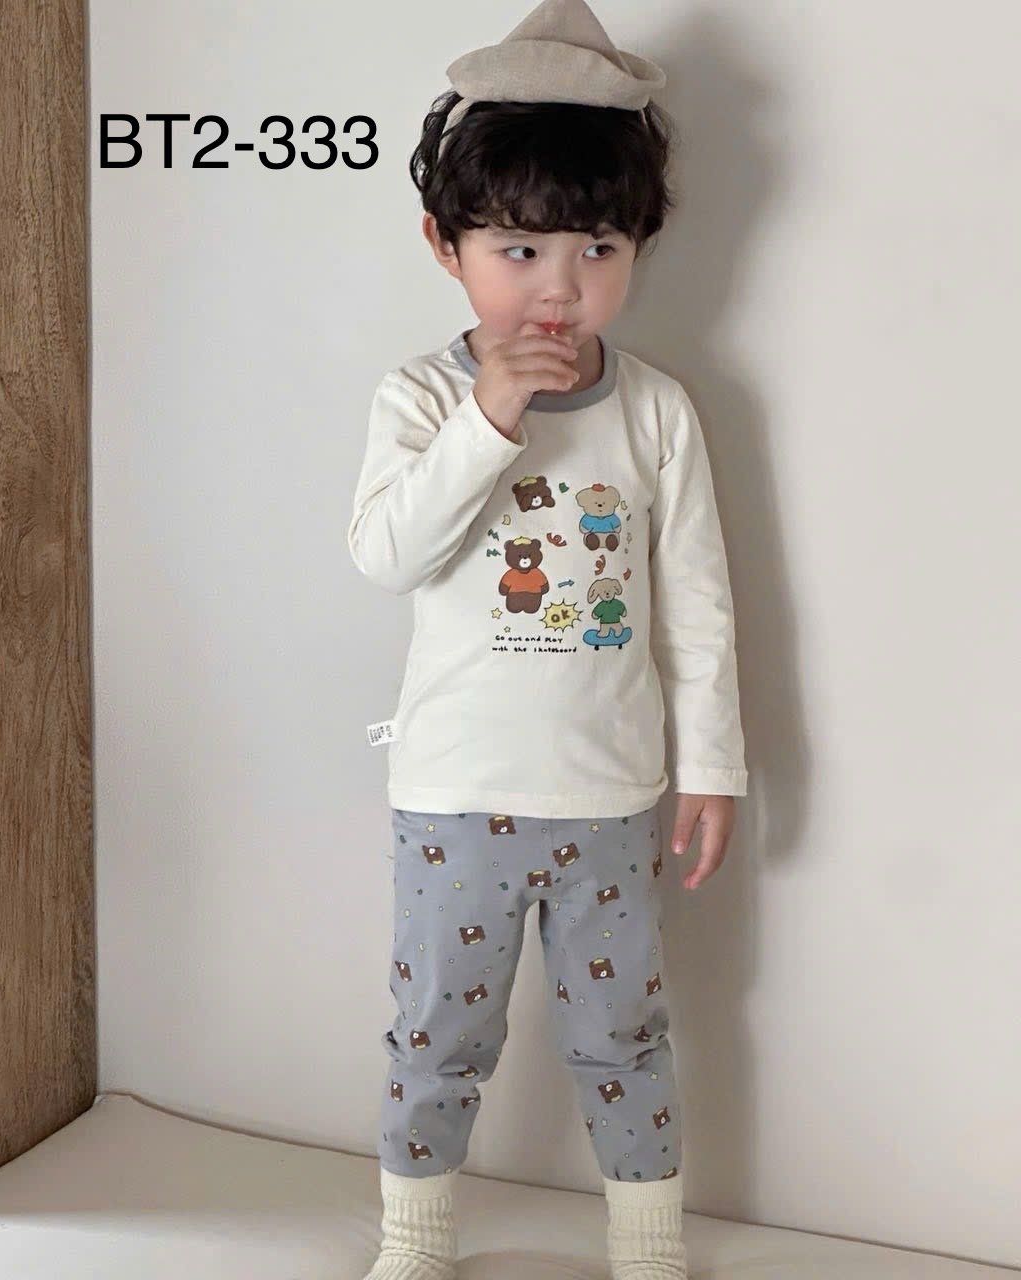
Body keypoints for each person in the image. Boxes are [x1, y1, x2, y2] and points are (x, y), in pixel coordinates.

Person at [345, 2, 749, 1276]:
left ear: (637, 247)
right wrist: (490, 414)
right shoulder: (420, 397)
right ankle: (413, 1239)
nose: (559, 285)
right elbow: (386, 554)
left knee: (620, 1034)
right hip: (454, 793)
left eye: (595, 246)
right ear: (444, 244)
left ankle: (648, 1244)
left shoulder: (657, 412)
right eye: (517, 247)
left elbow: (696, 604)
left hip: (607, 796)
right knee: (436, 1033)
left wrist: (711, 767)